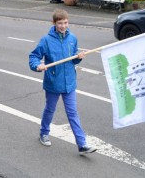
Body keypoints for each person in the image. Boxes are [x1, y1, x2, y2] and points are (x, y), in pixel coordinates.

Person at [29, 9, 97, 155]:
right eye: (60, 23)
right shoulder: (46, 40)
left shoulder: (72, 38)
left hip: (70, 83)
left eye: (65, 23)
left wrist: (78, 57)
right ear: (54, 23)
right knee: (50, 109)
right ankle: (44, 132)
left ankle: (82, 144)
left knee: (73, 113)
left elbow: (73, 58)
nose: (63, 26)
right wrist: (37, 65)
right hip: (53, 82)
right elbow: (34, 56)